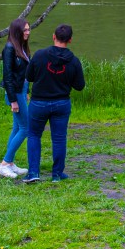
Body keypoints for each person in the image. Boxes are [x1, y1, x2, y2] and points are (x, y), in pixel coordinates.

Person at [23, 23, 85, 183]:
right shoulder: (74, 61)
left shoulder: (39, 55)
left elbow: (29, 76)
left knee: (34, 135)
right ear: (70, 40)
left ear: (53, 36)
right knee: (58, 138)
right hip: (61, 103)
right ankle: (57, 174)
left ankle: (33, 173)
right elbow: (80, 86)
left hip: (38, 103)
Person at [0, 18, 31, 179]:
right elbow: (8, 76)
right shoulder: (9, 49)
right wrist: (13, 100)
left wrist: (27, 90)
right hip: (15, 93)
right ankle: (4, 164)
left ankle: (9, 163)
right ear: (17, 31)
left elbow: (24, 72)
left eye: (28, 29)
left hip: (21, 91)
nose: (28, 32)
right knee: (26, 128)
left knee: (17, 127)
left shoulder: (21, 48)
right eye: (25, 30)